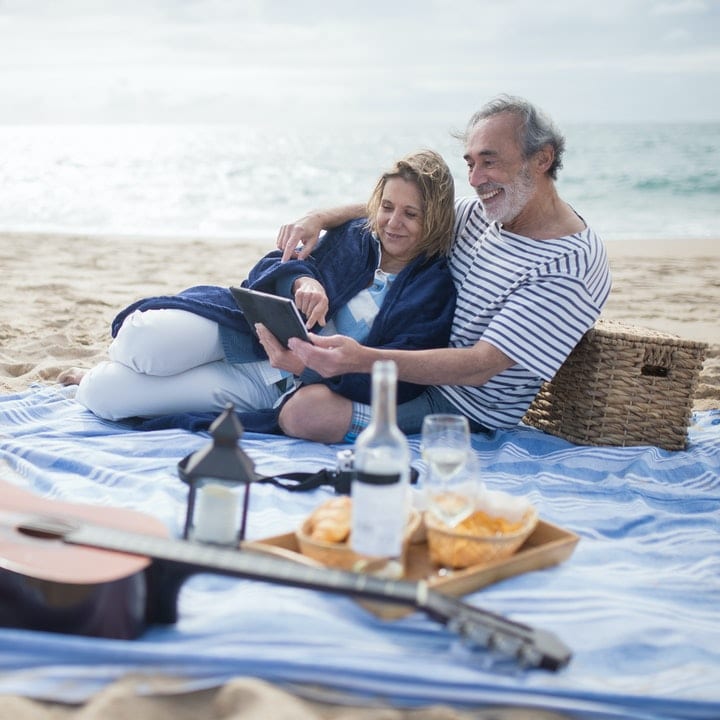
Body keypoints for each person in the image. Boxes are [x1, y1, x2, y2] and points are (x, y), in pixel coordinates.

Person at [260, 94, 612, 442]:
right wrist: (317, 218)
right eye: (470, 164)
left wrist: (362, 360)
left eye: (489, 162)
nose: (475, 180)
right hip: (407, 367)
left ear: (542, 159)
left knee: (305, 413)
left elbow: (481, 366)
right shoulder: (482, 213)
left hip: (458, 403)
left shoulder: (569, 263)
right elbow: (394, 211)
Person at [60, 149, 457, 429]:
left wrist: (309, 369)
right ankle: (134, 362)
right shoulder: (355, 235)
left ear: (435, 220)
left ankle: (94, 376)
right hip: (244, 328)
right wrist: (305, 279)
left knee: (106, 396)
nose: (392, 222)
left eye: (411, 214)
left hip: (273, 384)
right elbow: (275, 263)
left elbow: (398, 379)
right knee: (141, 338)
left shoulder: (432, 289)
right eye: (387, 207)